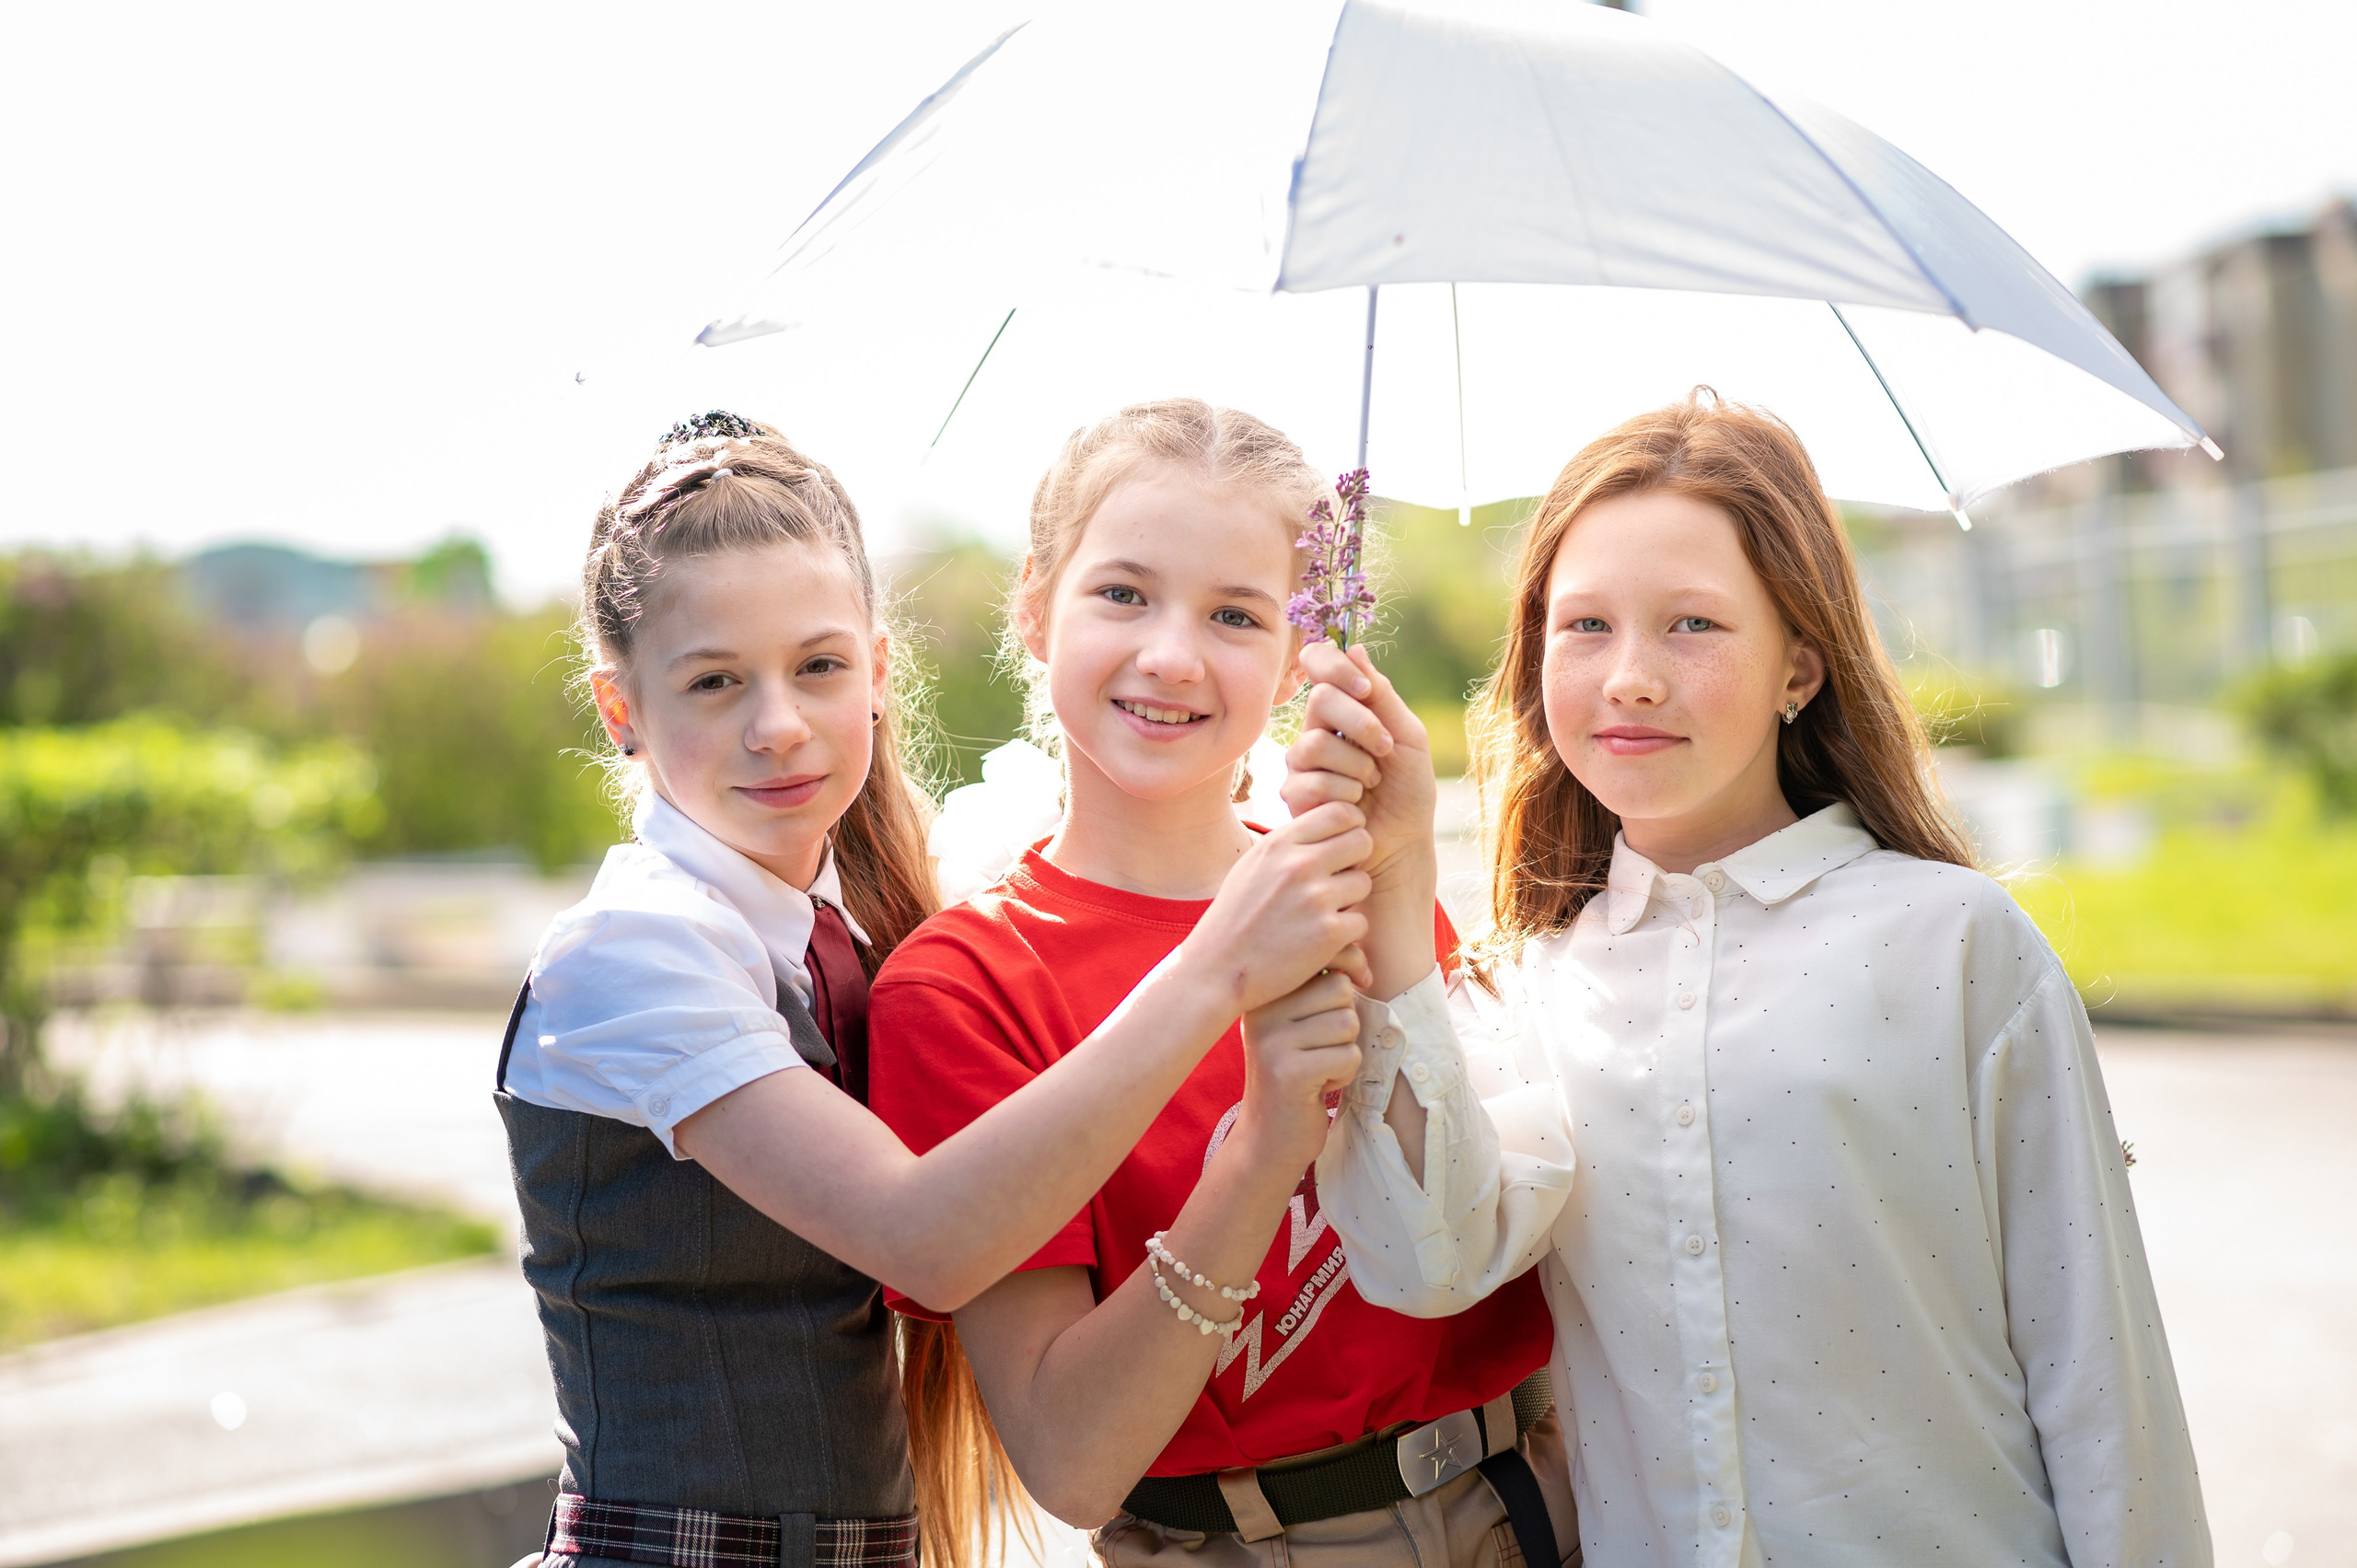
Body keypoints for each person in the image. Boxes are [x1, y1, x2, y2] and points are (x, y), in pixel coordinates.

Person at [1290, 393, 2211, 1566]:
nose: (1627, 676)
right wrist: (1397, 867)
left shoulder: (1954, 943)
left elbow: (2100, 1372)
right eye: (1583, 627)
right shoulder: (1529, 983)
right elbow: (1424, 1260)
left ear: (1800, 667)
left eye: (1691, 625)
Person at [495, 412, 1376, 1568]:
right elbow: (927, 1240)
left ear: (875, 672)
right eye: (714, 681)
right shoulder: (630, 950)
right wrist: (1218, 963)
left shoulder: (849, 923)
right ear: (622, 712)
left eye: (818, 667)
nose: (778, 726)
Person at [865, 399, 1574, 1568]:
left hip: (1535, 1507)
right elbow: (1072, 1460)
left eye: (1236, 613)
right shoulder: (964, 985)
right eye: (1123, 593)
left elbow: (1466, 1254)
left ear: (1304, 649)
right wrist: (1259, 1152)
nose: (1171, 654)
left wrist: (1397, 896)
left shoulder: (1357, 892)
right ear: (1035, 610)